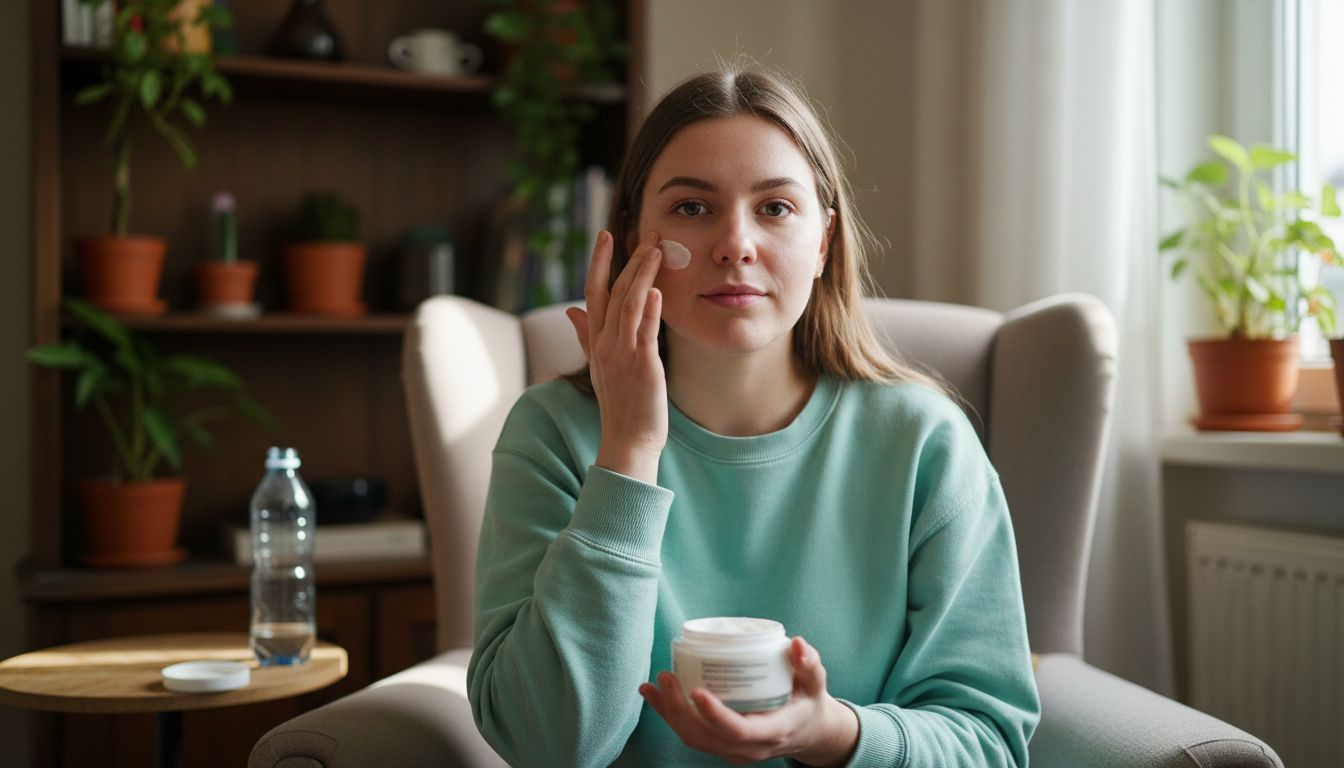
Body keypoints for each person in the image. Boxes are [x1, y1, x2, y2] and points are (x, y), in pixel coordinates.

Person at [467, 65, 1039, 767]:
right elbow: (550, 746)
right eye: (692, 208)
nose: (735, 244)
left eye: (775, 209)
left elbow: (988, 742)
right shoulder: (551, 433)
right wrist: (629, 452)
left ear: (824, 242)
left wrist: (829, 733)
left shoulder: (926, 444)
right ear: (631, 237)